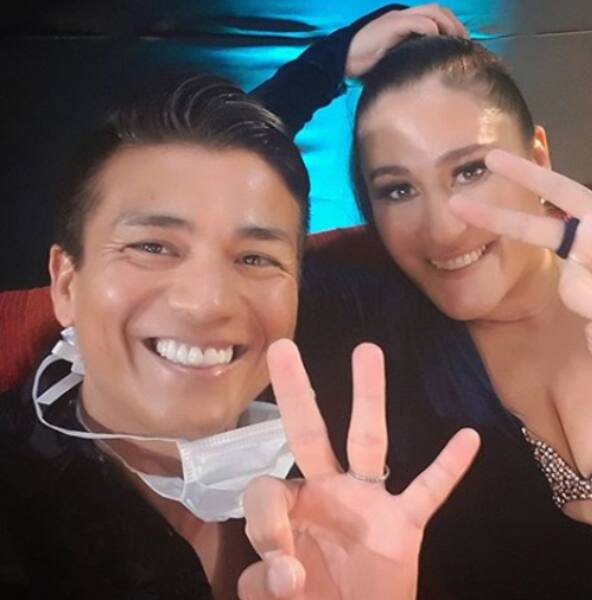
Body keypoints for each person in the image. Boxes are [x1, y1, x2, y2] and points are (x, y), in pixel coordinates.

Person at [278, 36, 592, 598]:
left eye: (470, 170)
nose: (443, 229)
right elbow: (217, 201)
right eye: (398, 189)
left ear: (538, 158)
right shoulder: (362, 317)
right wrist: (320, 67)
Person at [0, 7, 479, 600]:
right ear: (66, 285)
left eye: (254, 258)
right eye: (153, 247)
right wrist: (323, 65)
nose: (206, 303)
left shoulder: (354, 434)